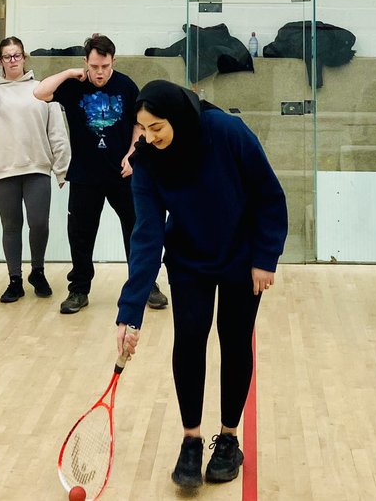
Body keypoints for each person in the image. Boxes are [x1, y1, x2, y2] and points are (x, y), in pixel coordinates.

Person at [115, 80, 287, 488]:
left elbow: (268, 193)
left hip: (242, 258)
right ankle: (190, 440)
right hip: (189, 260)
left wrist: (265, 258)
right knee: (189, 340)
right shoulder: (148, 162)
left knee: (234, 339)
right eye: (143, 129)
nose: (150, 137)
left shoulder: (226, 132)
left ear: (175, 116)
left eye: (157, 127)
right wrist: (130, 313)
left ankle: (228, 439)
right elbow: (146, 235)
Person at [34, 34, 168, 314]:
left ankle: (146, 285)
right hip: (84, 175)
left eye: (105, 66)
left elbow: (140, 124)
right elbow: (40, 93)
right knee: (80, 236)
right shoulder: (74, 86)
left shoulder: (127, 86)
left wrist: (132, 154)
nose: (99, 72)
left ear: (113, 62)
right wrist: (71, 73)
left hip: (122, 174)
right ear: (86, 62)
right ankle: (79, 289)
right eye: (94, 66)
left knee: (136, 231)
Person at [0, 37, 71, 303]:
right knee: (11, 226)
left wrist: (61, 167)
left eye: (16, 56)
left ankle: (38, 271)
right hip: (3, 169)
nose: (12, 61)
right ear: (0, 61)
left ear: (24, 57)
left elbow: (56, 131)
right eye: (6, 57)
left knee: (38, 223)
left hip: (37, 167)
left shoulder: (41, 89)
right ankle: (14, 279)